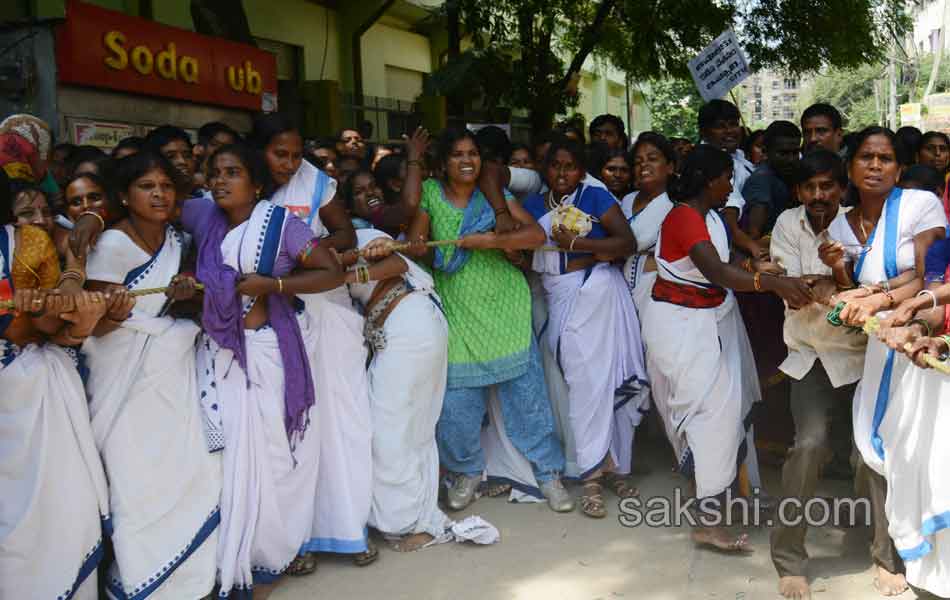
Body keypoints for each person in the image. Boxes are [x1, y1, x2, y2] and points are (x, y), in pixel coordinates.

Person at [181, 143, 343, 598]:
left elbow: (330, 271)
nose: (220, 180)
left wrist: (273, 285)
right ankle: (234, 555)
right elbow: (163, 202)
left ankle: (272, 556)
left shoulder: (281, 225)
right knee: (230, 459)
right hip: (221, 356)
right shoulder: (204, 220)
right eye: (214, 172)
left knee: (273, 456)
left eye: (232, 172)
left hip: (269, 354)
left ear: (256, 184)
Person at [640, 145, 813, 553]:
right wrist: (772, 284)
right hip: (681, 327)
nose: (730, 187)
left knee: (724, 414)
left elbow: (726, 258)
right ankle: (707, 520)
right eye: (726, 179)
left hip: (706, 323)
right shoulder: (683, 217)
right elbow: (716, 272)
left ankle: (722, 501)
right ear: (707, 180)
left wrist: (755, 266)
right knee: (711, 418)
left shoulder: (710, 217)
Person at [403, 127, 572, 513]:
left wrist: (491, 241)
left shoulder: (494, 196)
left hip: (506, 305)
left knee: (529, 399)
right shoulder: (430, 194)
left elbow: (532, 236)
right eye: (458, 154)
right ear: (444, 163)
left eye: (473, 153)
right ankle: (466, 471)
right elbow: (417, 246)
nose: (467, 161)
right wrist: (417, 241)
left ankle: (549, 474)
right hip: (459, 308)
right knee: (457, 406)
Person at [83, 150, 221, 599]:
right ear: (125, 196)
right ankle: (143, 584)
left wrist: (187, 295)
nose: (159, 194)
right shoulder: (111, 245)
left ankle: (190, 584)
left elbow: (183, 307)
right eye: (147, 186)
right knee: (137, 487)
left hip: (172, 380)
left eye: (165, 186)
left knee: (189, 477)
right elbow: (96, 325)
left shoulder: (180, 240)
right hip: (125, 384)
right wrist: (117, 315)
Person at [819, 126, 947, 595]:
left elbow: (929, 275)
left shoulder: (919, 207)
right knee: (876, 447)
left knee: (918, 449)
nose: (876, 166)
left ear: (899, 166)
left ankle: (925, 556)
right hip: (879, 347)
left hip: (921, 341)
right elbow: (846, 284)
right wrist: (839, 273)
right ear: (850, 166)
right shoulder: (838, 223)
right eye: (867, 158)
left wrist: (880, 299)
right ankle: (887, 552)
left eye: (886, 158)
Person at [249, 113, 374, 570]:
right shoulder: (241, 184)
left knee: (341, 420)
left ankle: (346, 527)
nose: (289, 164)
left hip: (323, 306)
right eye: (279, 154)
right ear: (258, 152)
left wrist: (314, 258)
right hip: (271, 319)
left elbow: (346, 234)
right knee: (291, 430)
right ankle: (291, 542)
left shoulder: (315, 182)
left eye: (295, 154)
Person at [523, 137, 648, 518]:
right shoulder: (530, 207)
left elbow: (625, 242)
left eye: (570, 166)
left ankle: (611, 468)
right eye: (555, 166)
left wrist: (577, 242)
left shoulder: (595, 198)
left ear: (582, 170)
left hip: (600, 296)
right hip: (564, 299)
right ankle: (590, 473)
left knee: (610, 381)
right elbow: (525, 255)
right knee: (584, 386)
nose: (562, 173)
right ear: (545, 170)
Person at [767, 150, 869, 599]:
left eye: (828, 186)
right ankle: (789, 560)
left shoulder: (858, 222)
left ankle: (884, 553)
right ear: (799, 192)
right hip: (809, 354)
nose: (819, 195)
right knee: (808, 446)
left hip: (861, 356)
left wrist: (834, 277)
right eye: (811, 188)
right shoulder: (789, 224)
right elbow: (791, 294)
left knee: (869, 455)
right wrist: (831, 282)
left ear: (841, 189)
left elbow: (865, 293)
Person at [0, 207, 110, 599]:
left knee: (54, 506)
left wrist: (40, 306)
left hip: (28, 393)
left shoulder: (28, 241)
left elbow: (55, 325)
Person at [336, 225, 451, 552]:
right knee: (404, 428)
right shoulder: (314, 248)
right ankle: (412, 517)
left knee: (392, 430)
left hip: (410, 325)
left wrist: (341, 276)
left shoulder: (358, 235)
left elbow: (397, 265)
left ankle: (410, 521)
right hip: (400, 329)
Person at [620, 132, 677, 311]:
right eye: (637, 162)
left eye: (652, 158)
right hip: (622, 287)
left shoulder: (676, 205)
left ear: (670, 167)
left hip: (660, 292)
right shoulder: (628, 200)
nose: (643, 164)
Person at [697, 100, 758, 257]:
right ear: (704, 131)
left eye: (733, 124)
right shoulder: (711, 162)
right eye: (720, 126)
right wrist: (755, 249)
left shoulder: (737, 155)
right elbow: (729, 219)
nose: (729, 131)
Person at [743, 120, 802, 245]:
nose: (791, 159)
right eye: (783, 153)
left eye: (795, 152)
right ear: (765, 152)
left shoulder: (791, 174)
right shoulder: (761, 180)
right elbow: (754, 237)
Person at [53, 172, 111, 258]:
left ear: (109, 199)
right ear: (68, 211)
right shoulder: (66, 243)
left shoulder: (127, 226)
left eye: (94, 197)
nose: (86, 205)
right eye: (76, 202)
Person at [144, 125, 199, 193]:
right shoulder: (144, 202)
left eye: (187, 156)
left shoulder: (203, 202)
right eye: (171, 157)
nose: (182, 161)